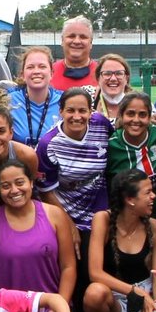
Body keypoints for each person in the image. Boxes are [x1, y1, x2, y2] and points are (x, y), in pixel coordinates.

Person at [84, 170, 156, 312]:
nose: (153, 196)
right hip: (116, 299)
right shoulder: (102, 219)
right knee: (94, 293)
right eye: (147, 192)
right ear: (130, 199)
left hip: (145, 298)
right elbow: (95, 272)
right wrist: (134, 292)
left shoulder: (154, 226)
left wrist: (155, 302)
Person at [0, 160, 77, 299]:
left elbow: (68, 267)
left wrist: (60, 307)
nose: (14, 190)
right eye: (6, 186)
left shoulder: (55, 215)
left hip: (50, 308)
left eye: (19, 182)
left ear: (30, 182)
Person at [34, 88, 108, 234]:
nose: (76, 116)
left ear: (91, 112)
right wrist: (69, 227)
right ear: (61, 111)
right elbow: (46, 192)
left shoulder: (101, 125)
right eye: (70, 110)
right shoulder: (48, 145)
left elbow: (120, 130)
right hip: (67, 216)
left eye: (82, 110)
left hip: (101, 214)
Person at [6, 47, 63, 148]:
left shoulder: (64, 101)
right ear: (23, 74)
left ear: (51, 73)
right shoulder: (8, 101)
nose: (36, 71)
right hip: (17, 162)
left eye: (42, 66)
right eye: (30, 67)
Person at [51, 16, 97, 91]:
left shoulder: (103, 74)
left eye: (83, 37)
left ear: (91, 43)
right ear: (62, 41)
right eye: (71, 36)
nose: (77, 41)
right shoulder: (48, 74)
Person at [93, 53, 132, 123]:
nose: (113, 78)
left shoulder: (140, 102)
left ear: (126, 78)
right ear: (98, 78)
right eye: (107, 74)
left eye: (119, 73)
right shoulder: (86, 97)